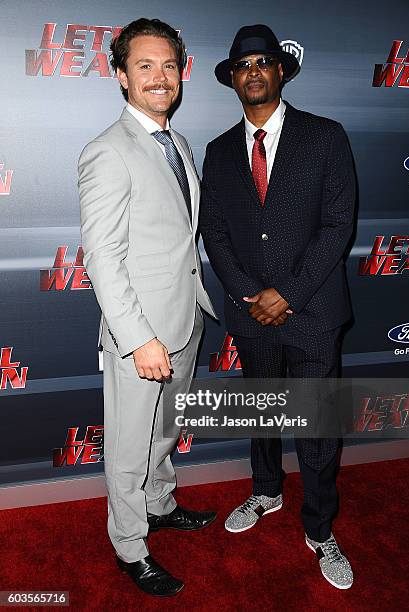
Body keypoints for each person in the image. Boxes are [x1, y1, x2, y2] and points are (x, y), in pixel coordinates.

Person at [200, 24, 355, 589]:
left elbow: (339, 225)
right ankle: (265, 492)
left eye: (265, 62)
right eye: (244, 65)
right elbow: (213, 233)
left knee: (316, 426)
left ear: (282, 71)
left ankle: (320, 529)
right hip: (249, 314)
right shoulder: (217, 152)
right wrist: (249, 293)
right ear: (233, 80)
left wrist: (288, 292)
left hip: (312, 313)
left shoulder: (326, 136)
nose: (255, 72)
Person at [78, 18, 217, 597]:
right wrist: (139, 337)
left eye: (168, 66)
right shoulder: (108, 152)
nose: (159, 78)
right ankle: (130, 544)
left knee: (165, 431)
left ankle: (159, 506)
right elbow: (102, 258)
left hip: (185, 318)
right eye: (144, 66)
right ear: (120, 76)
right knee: (131, 445)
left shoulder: (177, 142)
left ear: (181, 73)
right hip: (143, 335)